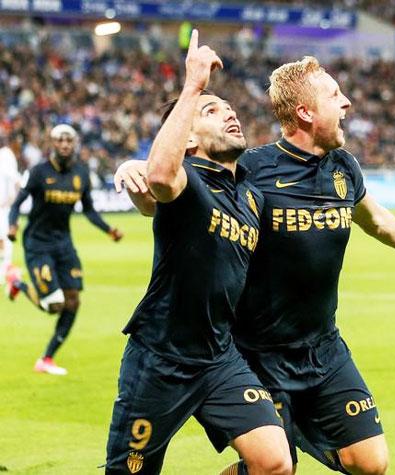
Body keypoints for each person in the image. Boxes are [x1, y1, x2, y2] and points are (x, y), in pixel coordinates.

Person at [116, 55, 395, 475]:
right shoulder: (252, 170)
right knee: (277, 467)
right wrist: (133, 168)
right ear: (305, 111)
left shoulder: (344, 167)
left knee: (371, 464)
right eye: (335, 95)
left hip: (323, 346)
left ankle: (298, 428)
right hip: (260, 352)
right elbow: (175, 194)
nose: (347, 102)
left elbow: (373, 217)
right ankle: (288, 431)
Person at [105, 30, 291, 475]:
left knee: (275, 463)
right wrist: (193, 88)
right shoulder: (188, 181)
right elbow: (160, 181)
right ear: (188, 139)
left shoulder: (251, 195)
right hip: (159, 360)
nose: (229, 115)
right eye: (213, 111)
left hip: (219, 359)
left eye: (230, 109)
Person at [6, 124, 123, 376]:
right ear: (52, 143)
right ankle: (18, 283)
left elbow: (89, 210)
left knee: (73, 301)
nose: (65, 145)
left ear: (75, 143)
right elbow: (17, 205)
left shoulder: (81, 174)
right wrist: (13, 226)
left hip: (63, 244)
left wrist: (108, 230)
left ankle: (46, 359)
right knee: (54, 305)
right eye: (60, 140)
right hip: (38, 244)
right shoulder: (38, 172)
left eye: (69, 140)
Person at [0, 133, 22, 278]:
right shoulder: (7, 155)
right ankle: (4, 270)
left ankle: (4, 270)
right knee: (5, 239)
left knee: (4, 238)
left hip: (4, 205)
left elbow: (14, 179)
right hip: (5, 206)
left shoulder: (4, 155)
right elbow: (16, 179)